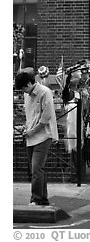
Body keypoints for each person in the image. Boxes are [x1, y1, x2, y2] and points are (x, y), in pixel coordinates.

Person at [14, 68, 58, 206]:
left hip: (44, 134)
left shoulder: (45, 92)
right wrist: (27, 129)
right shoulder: (28, 96)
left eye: (23, 89)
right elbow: (30, 116)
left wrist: (32, 131)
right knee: (38, 169)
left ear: (28, 84)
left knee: (36, 169)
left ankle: (36, 199)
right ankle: (43, 199)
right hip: (31, 135)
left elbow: (46, 117)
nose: (23, 92)